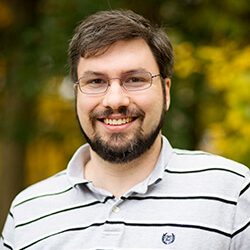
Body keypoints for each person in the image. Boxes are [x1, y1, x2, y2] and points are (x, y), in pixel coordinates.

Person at [1, 9, 250, 250]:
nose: (115, 100)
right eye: (96, 81)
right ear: (77, 93)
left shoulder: (233, 194)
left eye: (134, 80)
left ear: (166, 92)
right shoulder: (27, 213)